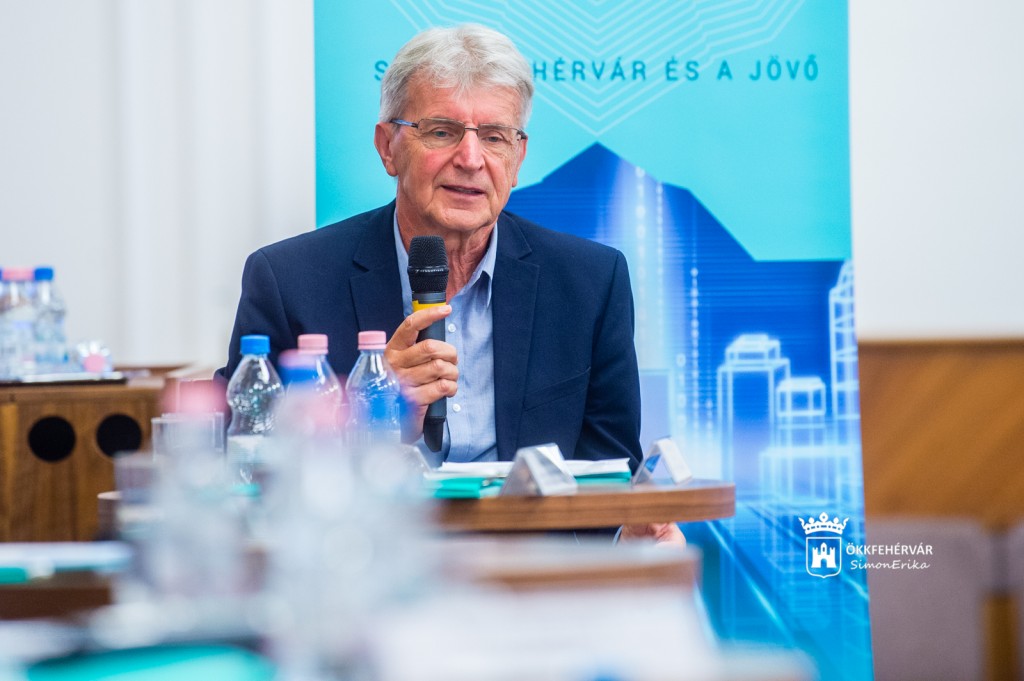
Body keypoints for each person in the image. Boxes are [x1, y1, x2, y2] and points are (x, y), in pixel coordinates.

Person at [218, 24, 642, 472]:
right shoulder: (289, 282)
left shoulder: (590, 282)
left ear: (517, 158)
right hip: (370, 518)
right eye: (442, 132)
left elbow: (614, 473)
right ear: (388, 147)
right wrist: (371, 418)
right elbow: (243, 466)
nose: (471, 159)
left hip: (531, 521)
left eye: (494, 137)